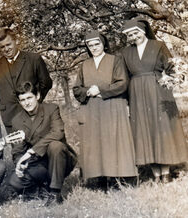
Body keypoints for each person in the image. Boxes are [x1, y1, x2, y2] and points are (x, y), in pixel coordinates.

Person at [121, 18, 188, 182]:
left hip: (159, 93)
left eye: (136, 33)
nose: (134, 37)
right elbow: (124, 78)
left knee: (160, 130)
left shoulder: (158, 46)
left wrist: (172, 81)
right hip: (136, 95)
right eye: (130, 35)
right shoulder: (125, 53)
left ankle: (166, 172)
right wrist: (125, 102)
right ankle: (155, 174)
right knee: (145, 131)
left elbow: (173, 68)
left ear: (143, 32)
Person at [73, 31, 138, 188]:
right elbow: (76, 88)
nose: (94, 47)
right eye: (91, 45)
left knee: (113, 142)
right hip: (92, 109)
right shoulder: (84, 65)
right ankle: (100, 180)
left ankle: (116, 180)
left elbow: (122, 83)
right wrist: (88, 91)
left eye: (97, 44)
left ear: (103, 44)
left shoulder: (115, 60)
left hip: (112, 106)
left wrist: (101, 90)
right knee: (96, 144)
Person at [7, 81, 77, 206]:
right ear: (19, 101)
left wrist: (31, 151)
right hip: (39, 163)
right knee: (15, 181)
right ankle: (40, 190)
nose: (27, 103)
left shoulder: (51, 109)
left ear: (37, 96)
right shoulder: (17, 120)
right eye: (22, 100)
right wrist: (20, 163)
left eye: (29, 97)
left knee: (55, 145)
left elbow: (58, 133)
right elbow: (17, 150)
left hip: (59, 160)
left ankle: (55, 193)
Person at [0, 28, 52, 132]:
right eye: (2, 47)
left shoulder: (34, 59)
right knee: (17, 148)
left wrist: (35, 101)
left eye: (8, 44)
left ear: (16, 41)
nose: (6, 49)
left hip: (34, 114)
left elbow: (46, 83)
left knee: (39, 147)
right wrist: (6, 103)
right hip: (10, 118)